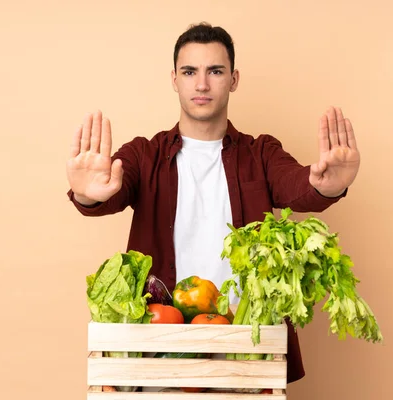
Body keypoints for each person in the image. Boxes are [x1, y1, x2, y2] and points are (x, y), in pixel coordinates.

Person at [66, 22, 360, 384]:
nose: (201, 84)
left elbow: (295, 183)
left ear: (234, 79)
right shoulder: (145, 154)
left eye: (215, 71)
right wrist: (86, 193)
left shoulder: (261, 152)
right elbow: (113, 187)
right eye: (190, 72)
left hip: (244, 340)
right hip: (162, 341)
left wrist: (327, 186)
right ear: (174, 79)